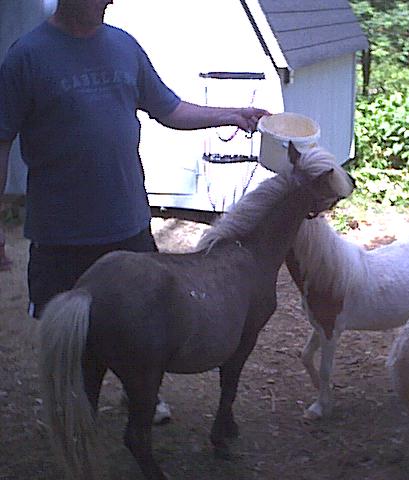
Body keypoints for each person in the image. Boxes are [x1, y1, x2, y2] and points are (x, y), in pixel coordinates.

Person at [0, 0, 269, 424]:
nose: (109, 0)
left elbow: (170, 108)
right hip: (61, 234)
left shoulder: (124, 46)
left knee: (142, 327)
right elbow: (1, 140)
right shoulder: (27, 56)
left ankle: (138, 394)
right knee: (68, 335)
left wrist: (231, 114)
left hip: (127, 224)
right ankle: (73, 411)